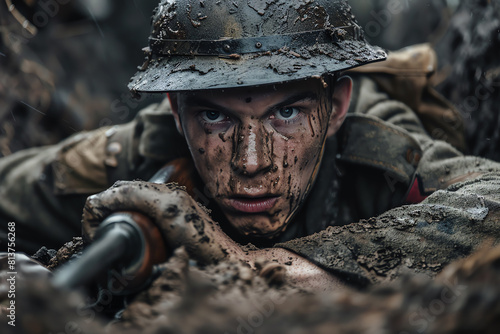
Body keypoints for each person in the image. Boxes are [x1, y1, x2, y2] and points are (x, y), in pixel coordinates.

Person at [1, 0, 500, 290]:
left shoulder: (380, 148)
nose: (252, 163)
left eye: (287, 113)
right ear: (175, 110)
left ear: (337, 107)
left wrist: (272, 268)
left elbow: (492, 200)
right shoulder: (138, 153)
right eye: (215, 116)